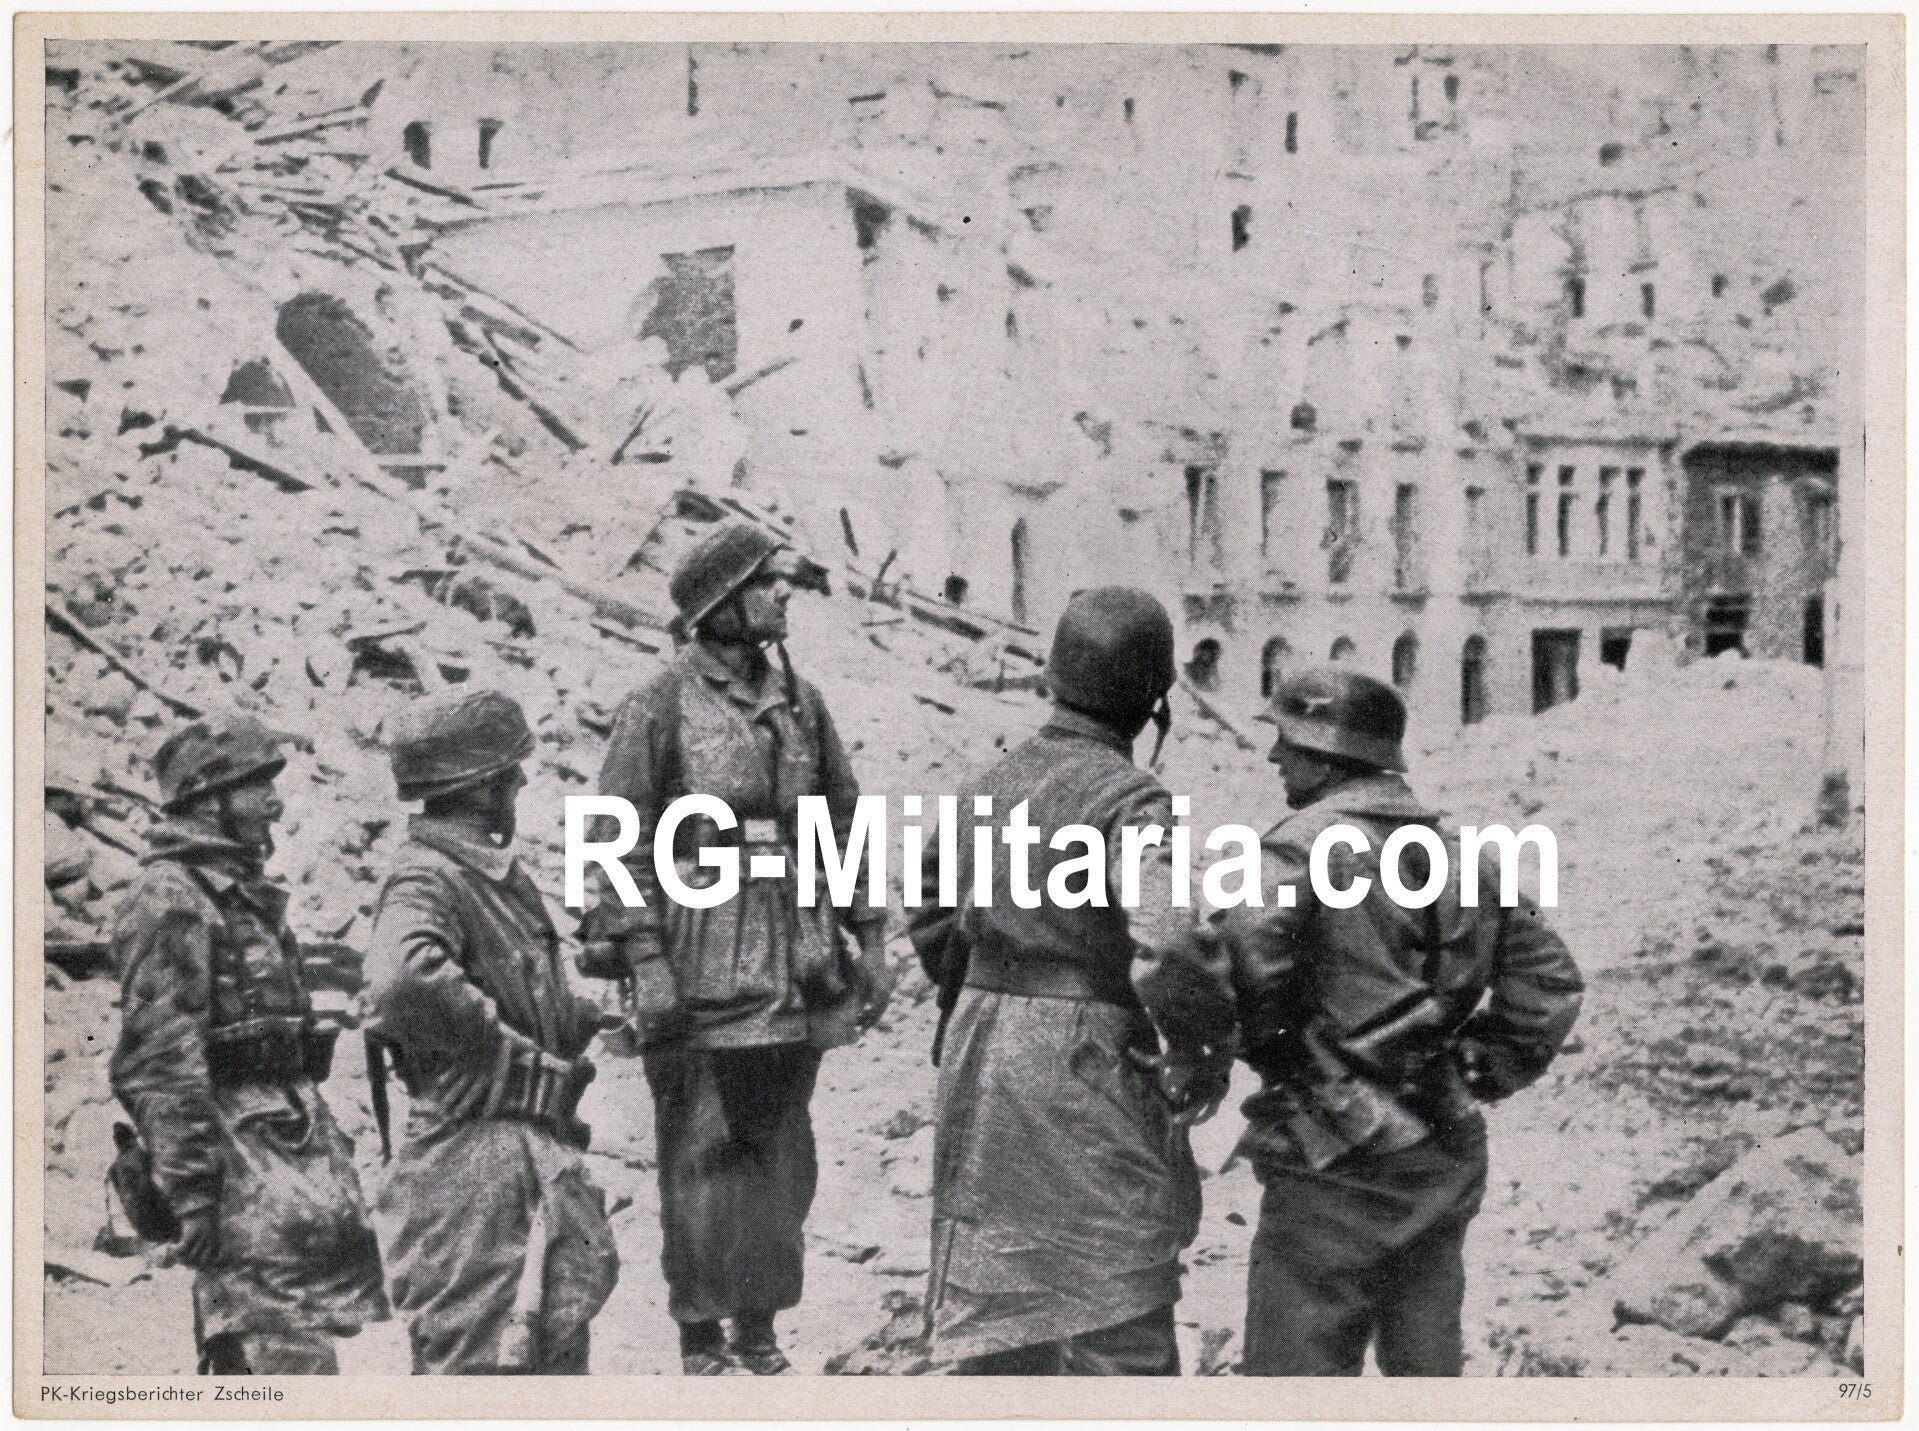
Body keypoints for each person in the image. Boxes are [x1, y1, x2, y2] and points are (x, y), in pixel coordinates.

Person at [578, 522, 892, 1376]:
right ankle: (700, 1329)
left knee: (781, 1153)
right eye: (768, 582)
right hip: (699, 956)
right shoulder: (660, 703)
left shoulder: (802, 702)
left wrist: (869, 936)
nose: (785, 595)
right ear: (719, 605)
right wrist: (644, 960)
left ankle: (759, 1321)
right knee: (700, 1151)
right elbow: (612, 840)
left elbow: (844, 820)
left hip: (796, 957)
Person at [1214, 666, 1584, 1377]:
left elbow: (1242, 965)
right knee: (1425, 1374)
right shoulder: (1464, 851)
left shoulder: (1296, 846)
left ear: (1327, 754)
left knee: (1293, 1386)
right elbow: (1548, 984)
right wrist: (1471, 1069)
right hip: (1441, 1148)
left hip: (1330, 1161)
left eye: (1286, 742)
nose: (1274, 758)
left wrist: (1282, 1056)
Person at [908, 586, 1237, 1376]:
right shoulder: (1131, 799)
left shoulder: (988, 781)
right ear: (1153, 701)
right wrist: (1195, 1053)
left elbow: (927, 909)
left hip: (981, 1052)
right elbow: (1165, 937)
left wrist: (984, 994)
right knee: (1113, 1292)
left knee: (996, 1297)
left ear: (1053, 678)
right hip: (1083, 1052)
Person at [108, 712, 387, 1375]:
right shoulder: (170, 898)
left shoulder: (241, 897)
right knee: (268, 1357)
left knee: (300, 1357)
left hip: (283, 1163)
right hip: (236, 1170)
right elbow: (159, 1061)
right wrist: (193, 1196)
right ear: (206, 798)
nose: (274, 800)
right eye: (254, 784)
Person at [360, 688, 619, 1375]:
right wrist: (503, 1051)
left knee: (551, 1357)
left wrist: (583, 1016)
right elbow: (401, 980)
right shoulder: (429, 876)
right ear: (477, 787)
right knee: (476, 1368)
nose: (522, 783)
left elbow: (514, 984)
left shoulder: (490, 876)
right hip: (469, 1160)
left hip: (522, 1146)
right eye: (509, 773)